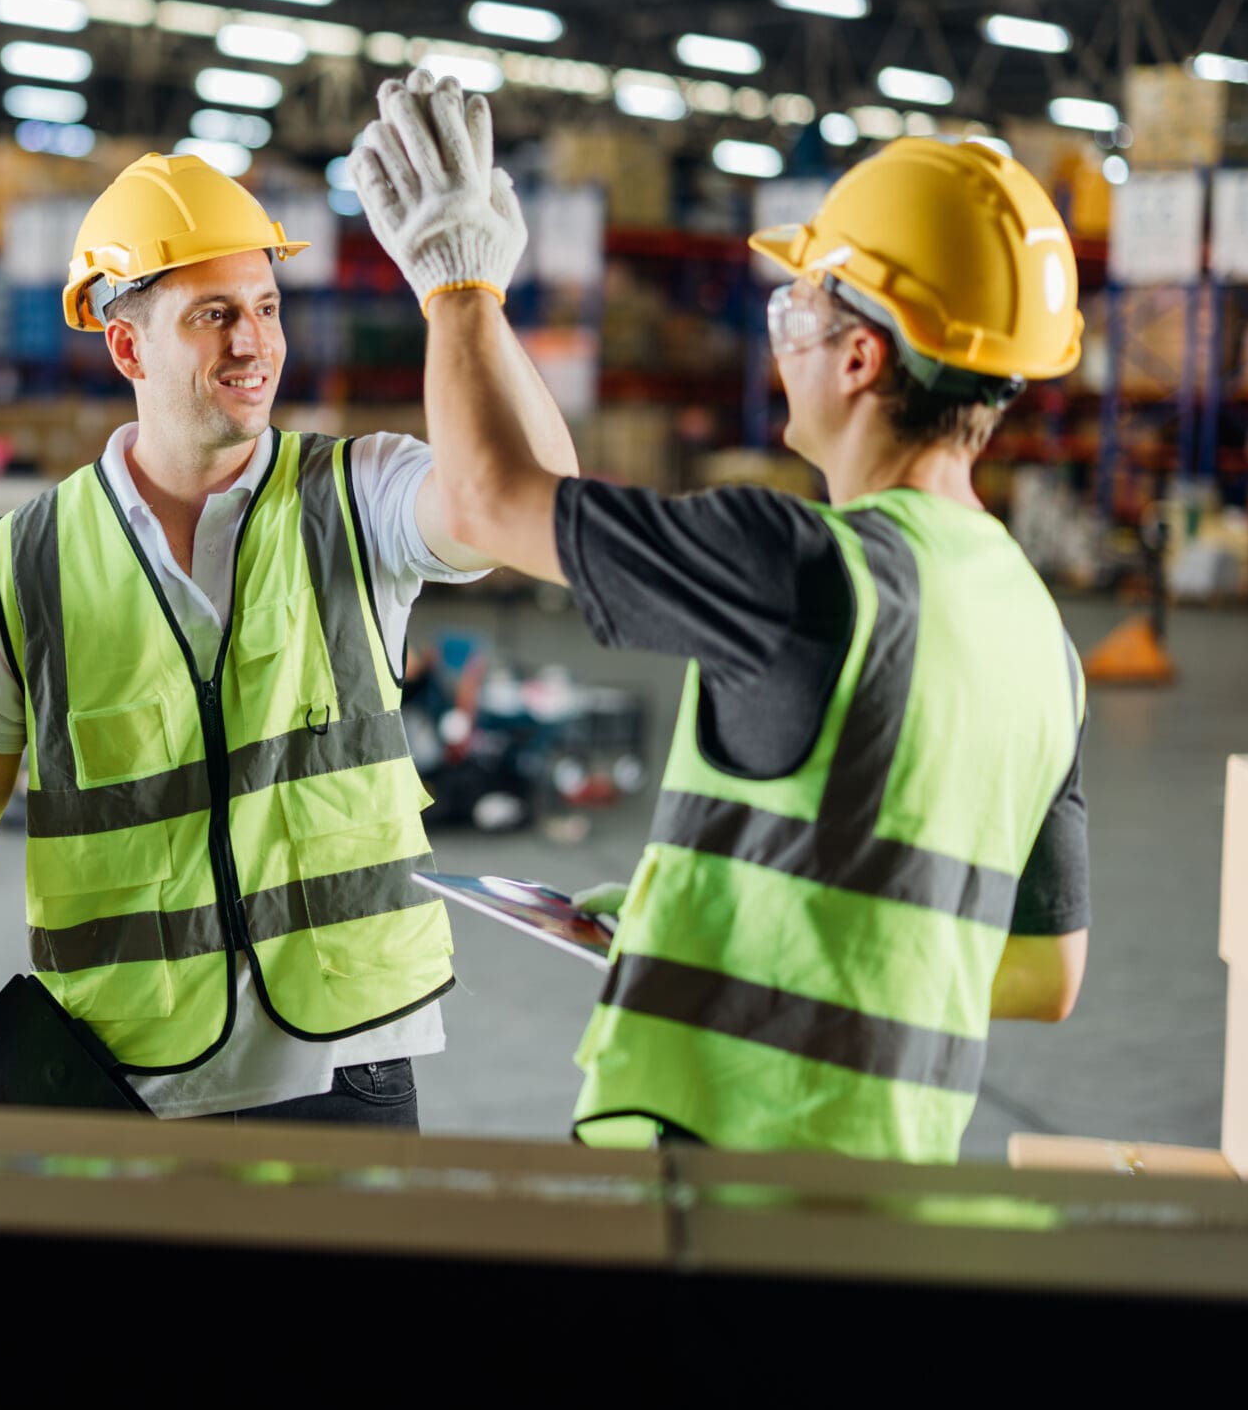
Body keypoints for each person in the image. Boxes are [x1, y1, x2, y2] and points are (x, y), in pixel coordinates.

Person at [349, 72, 1089, 1162]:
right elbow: (1042, 974)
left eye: (798, 309)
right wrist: (707, 936)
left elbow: (485, 502)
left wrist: (455, 284)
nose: (778, 337)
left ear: (859, 356)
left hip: (713, 1184)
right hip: (890, 1193)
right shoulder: (1039, 636)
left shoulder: (793, 569)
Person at [0, 149, 577, 1124]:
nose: (254, 342)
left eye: (266, 306)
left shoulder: (357, 496)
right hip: (116, 1083)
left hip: (340, 1071)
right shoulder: (20, 569)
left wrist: (464, 295)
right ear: (127, 349)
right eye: (213, 315)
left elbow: (534, 508)